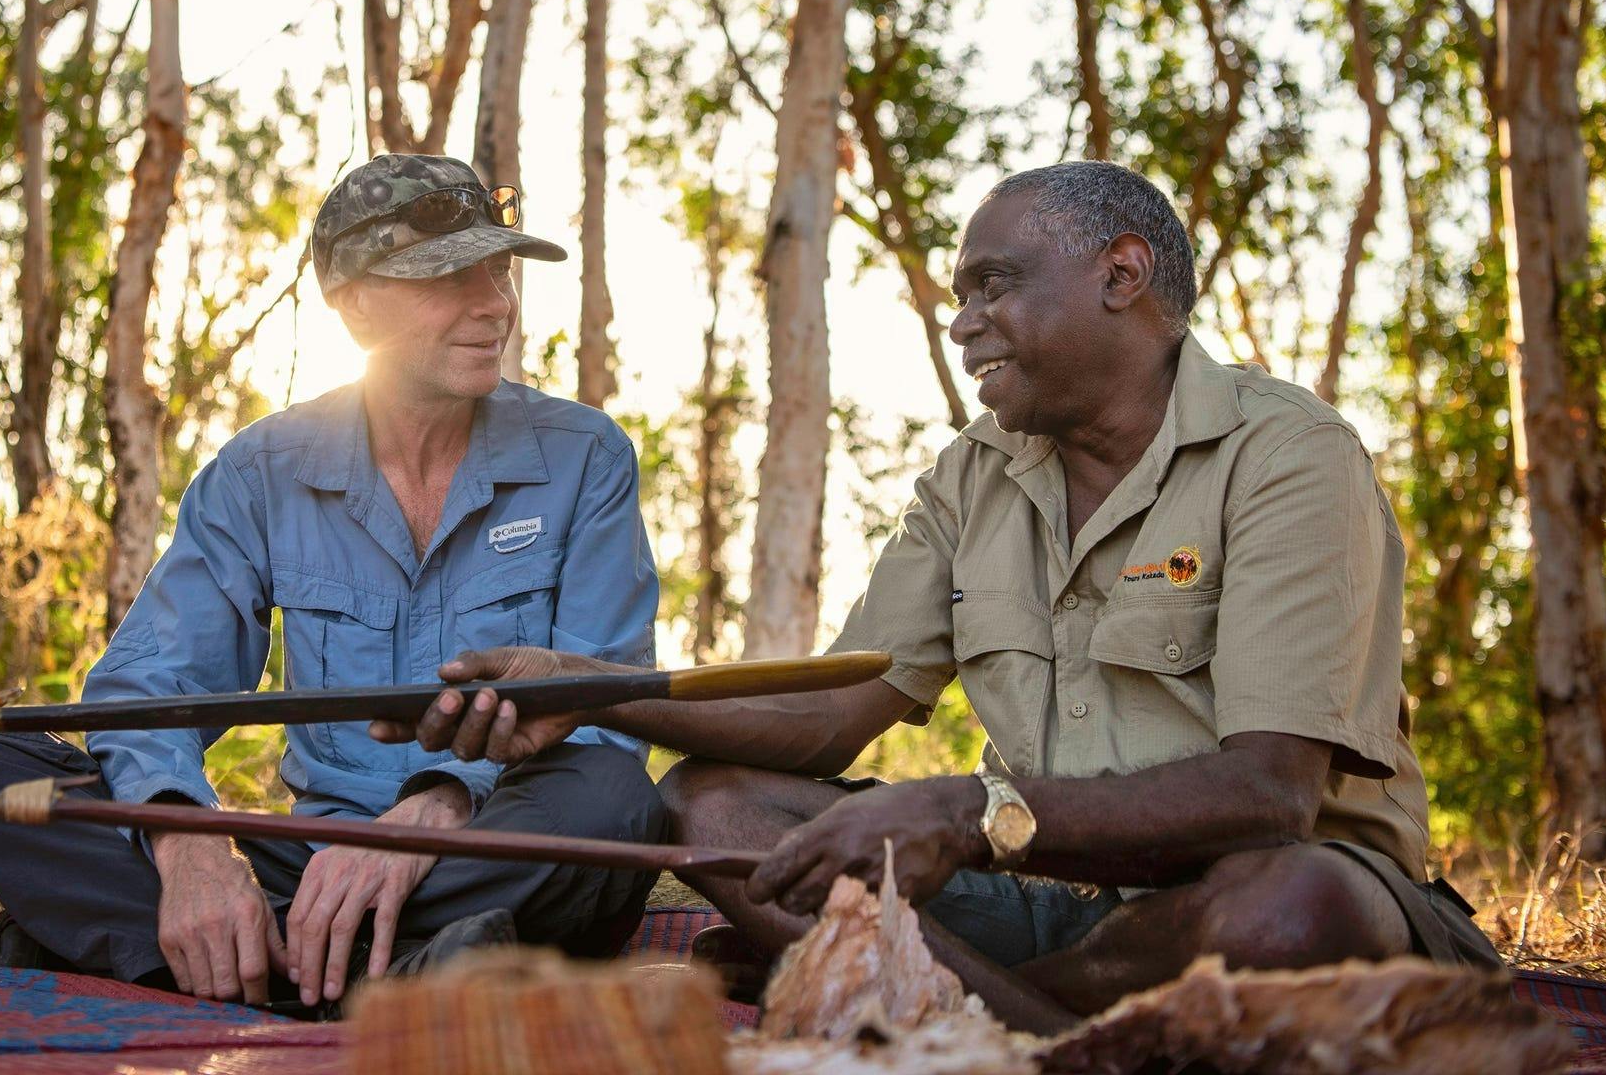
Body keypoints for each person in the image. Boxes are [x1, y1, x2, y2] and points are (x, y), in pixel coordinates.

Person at [382, 160, 1500, 1033]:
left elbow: (1268, 796)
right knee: (719, 811)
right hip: (1058, 904)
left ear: (1122, 275)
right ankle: (1025, 1031)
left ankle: (952, 1017)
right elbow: (828, 713)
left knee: (1294, 911)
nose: (963, 321)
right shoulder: (976, 473)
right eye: (961, 294)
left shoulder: (1289, 455)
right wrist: (581, 685)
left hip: (1253, 897)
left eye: (993, 284)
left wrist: (968, 812)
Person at [0, 154, 665, 1012]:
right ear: (354, 302)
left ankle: (214, 963)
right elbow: (146, 691)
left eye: (498, 270)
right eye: (450, 277)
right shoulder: (258, 471)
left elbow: (606, 710)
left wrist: (440, 806)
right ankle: (385, 973)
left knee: (614, 804)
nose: (495, 302)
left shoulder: (587, 456)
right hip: (306, 862)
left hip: (486, 843)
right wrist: (194, 851)